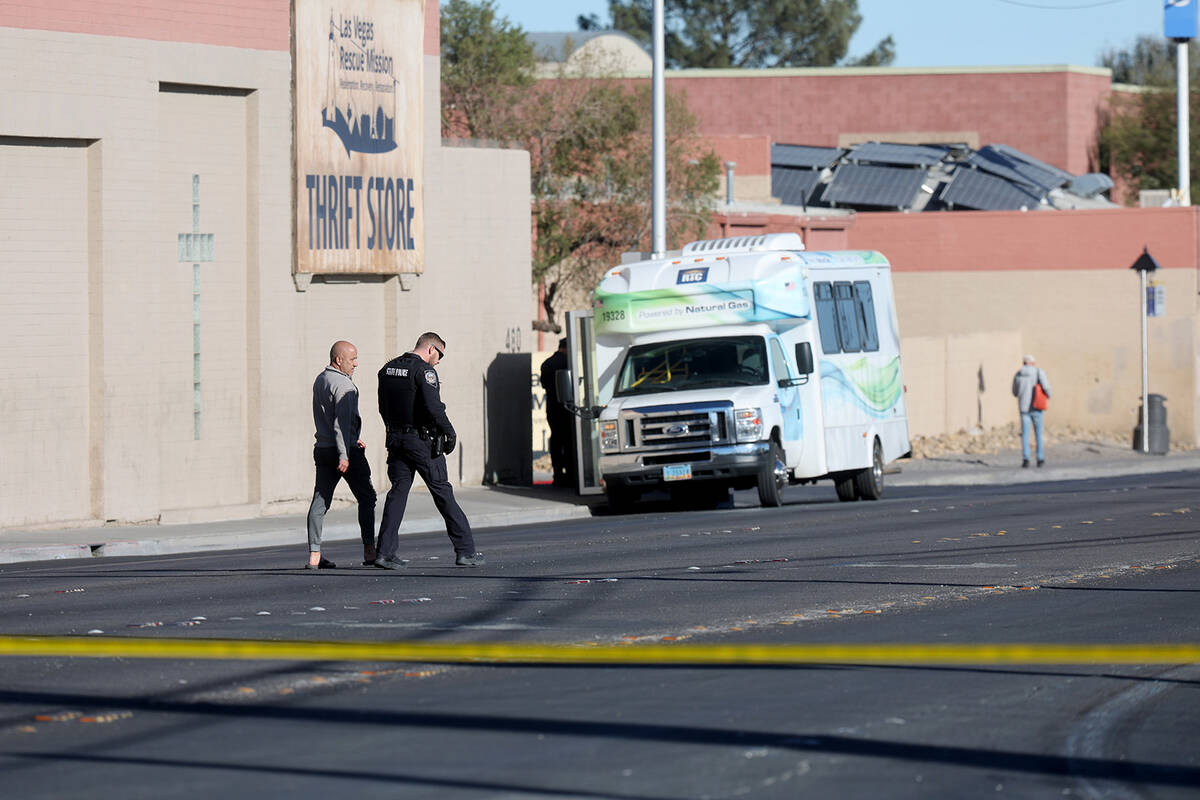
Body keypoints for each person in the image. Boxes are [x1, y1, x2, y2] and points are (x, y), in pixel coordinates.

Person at [373, 332, 484, 569]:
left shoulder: (387, 369)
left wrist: (394, 431)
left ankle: (384, 553)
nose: (440, 360)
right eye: (440, 354)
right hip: (421, 442)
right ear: (431, 348)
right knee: (443, 493)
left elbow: (382, 407)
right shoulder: (424, 371)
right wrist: (449, 432)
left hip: (396, 440)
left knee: (397, 494)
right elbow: (433, 407)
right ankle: (466, 551)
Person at [306, 340, 377, 569]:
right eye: (352, 359)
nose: (356, 364)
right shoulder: (345, 386)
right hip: (343, 452)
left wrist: (352, 435)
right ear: (338, 360)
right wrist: (345, 453)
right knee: (367, 497)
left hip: (323, 449)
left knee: (320, 501)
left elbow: (333, 420)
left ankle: (314, 556)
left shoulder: (321, 379)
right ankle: (369, 551)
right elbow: (339, 423)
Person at [539, 337, 576, 488]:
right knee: (568, 441)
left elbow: (543, 385)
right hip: (566, 407)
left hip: (552, 407)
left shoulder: (547, 363)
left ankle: (558, 474)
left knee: (556, 440)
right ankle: (570, 474)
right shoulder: (567, 362)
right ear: (567, 349)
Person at [1012, 354, 1052, 468]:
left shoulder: (1018, 374)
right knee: (1038, 434)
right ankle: (1040, 458)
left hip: (1023, 407)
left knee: (1025, 434)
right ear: (1033, 363)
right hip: (1037, 407)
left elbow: (1014, 392)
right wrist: (1047, 397)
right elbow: (1046, 387)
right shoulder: (1038, 372)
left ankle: (1026, 459)